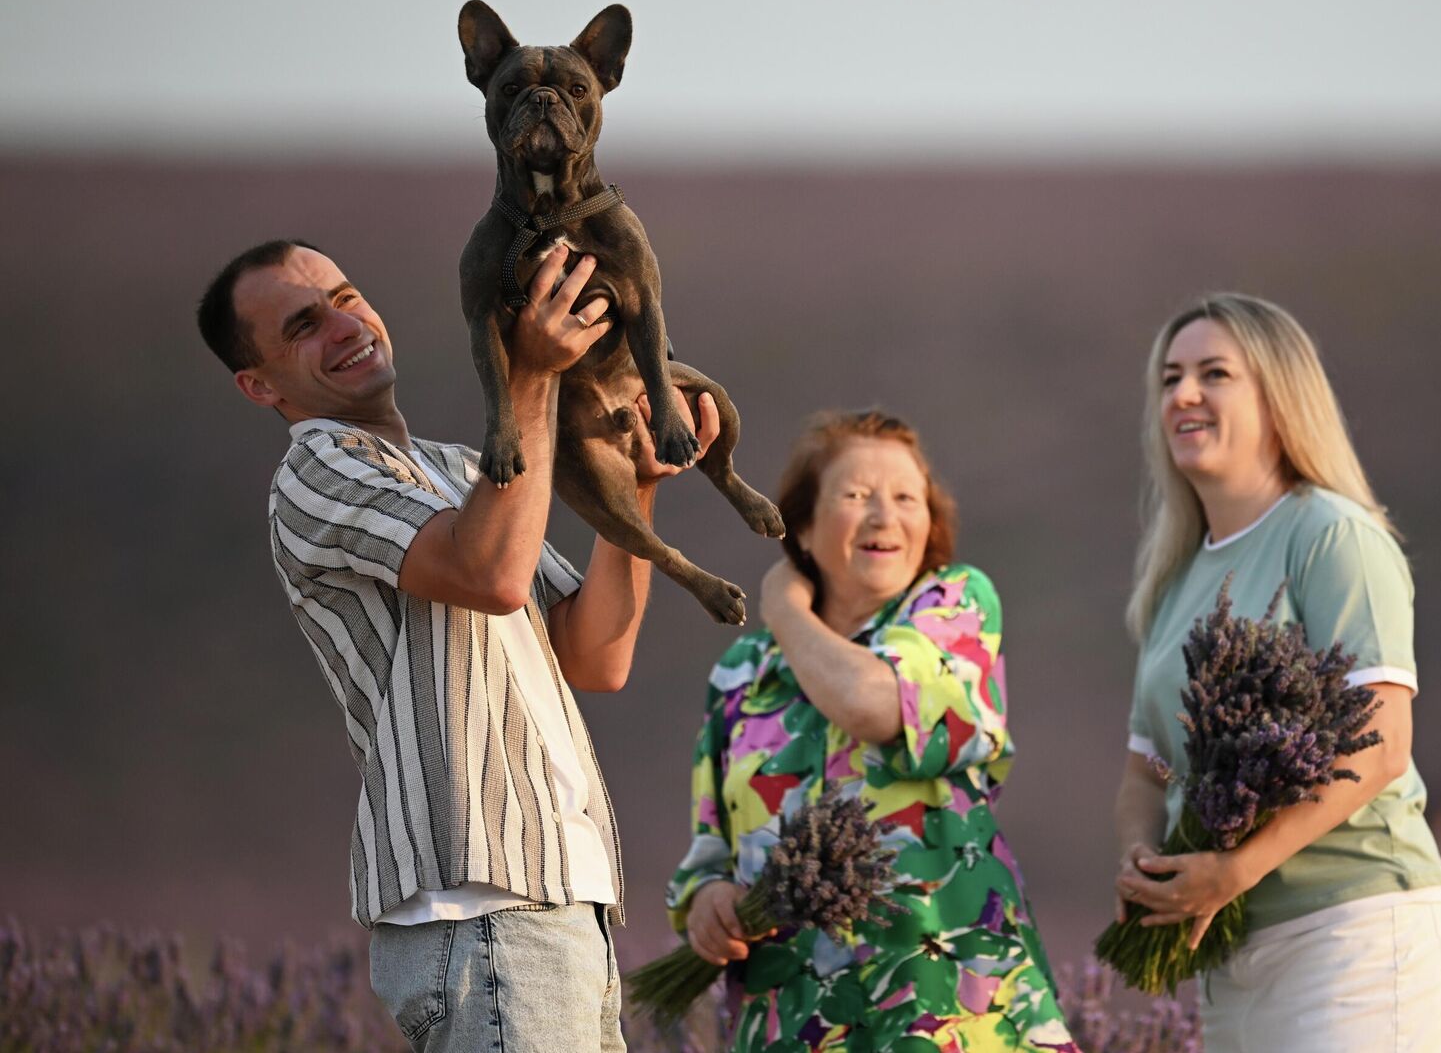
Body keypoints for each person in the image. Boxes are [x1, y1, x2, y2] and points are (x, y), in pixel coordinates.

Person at [197, 238, 720, 1052]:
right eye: (303, 325)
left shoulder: (458, 470)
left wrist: (635, 484)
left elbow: (594, 657)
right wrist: (533, 373)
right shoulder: (315, 469)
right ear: (259, 385)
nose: (345, 326)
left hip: (558, 900)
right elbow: (492, 575)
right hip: (481, 913)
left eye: (346, 296)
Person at [1112, 294, 1441, 1051]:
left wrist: (1235, 869)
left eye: (1214, 374)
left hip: (1354, 935)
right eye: (1170, 379)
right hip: (1230, 955)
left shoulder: (1332, 536)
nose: (1184, 394)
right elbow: (1145, 770)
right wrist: (1145, 859)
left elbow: (1382, 744)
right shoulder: (1173, 581)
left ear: (1280, 396)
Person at [668, 409, 1080, 1052]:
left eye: (907, 499)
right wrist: (707, 901)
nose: (885, 516)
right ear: (803, 526)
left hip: (945, 1010)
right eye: (857, 495)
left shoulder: (956, 606)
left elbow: (872, 706)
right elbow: (708, 847)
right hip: (794, 1020)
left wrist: (783, 604)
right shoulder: (743, 672)